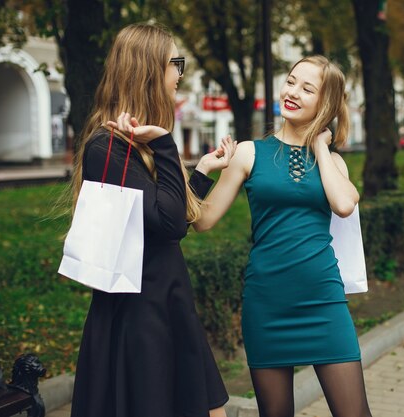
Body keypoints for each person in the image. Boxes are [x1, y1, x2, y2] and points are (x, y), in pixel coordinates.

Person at [67, 23, 236, 417]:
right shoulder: (107, 147)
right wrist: (163, 142)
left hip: (170, 306)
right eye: (175, 63)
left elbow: (167, 223)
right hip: (139, 320)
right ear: (148, 70)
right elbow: (169, 223)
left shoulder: (138, 144)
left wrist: (201, 171)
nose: (180, 73)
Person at [194, 55, 372, 417]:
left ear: (324, 104)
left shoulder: (333, 163)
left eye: (307, 89)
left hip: (323, 302)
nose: (292, 92)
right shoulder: (249, 153)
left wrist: (320, 145)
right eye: (291, 81)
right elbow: (203, 220)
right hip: (267, 304)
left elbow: (343, 204)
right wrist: (201, 170)